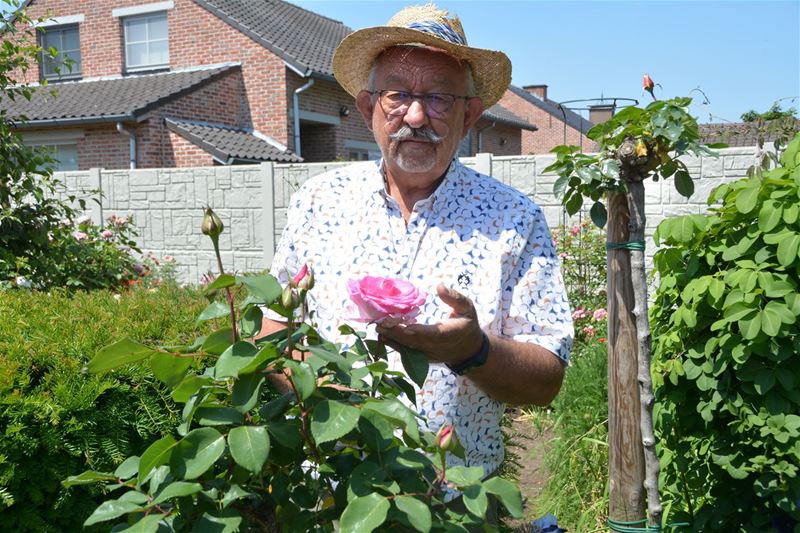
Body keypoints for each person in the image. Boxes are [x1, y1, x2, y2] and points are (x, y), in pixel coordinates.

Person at [263, 4, 573, 483]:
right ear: (369, 108)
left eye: (439, 98)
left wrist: (473, 350)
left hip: (453, 501)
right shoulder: (318, 201)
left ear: (469, 115)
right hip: (327, 494)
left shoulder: (513, 219)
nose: (415, 114)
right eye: (398, 94)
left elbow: (547, 378)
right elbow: (272, 324)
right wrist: (328, 401)